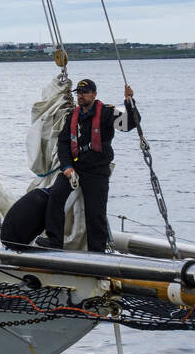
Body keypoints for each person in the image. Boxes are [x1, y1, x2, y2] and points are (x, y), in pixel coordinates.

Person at [44, 78, 140, 252]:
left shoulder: (106, 113)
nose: (81, 96)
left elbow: (129, 125)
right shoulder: (72, 116)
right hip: (75, 168)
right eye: (79, 93)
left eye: (85, 93)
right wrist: (66, 167)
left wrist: (129, 102)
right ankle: (54, 243)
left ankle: (97, 251)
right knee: (55, 196)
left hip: (97, 171)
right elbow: (63, 143)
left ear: (94, 94)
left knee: (95, 213)